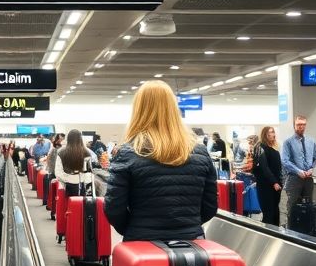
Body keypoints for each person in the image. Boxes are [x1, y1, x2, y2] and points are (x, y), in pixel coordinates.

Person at [103, 80, 217, 241]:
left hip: (142, 243)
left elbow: (113, 208)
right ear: (173, 109)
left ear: (138, 110)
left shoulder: (128, 153)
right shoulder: (200, 152)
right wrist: (187, 225)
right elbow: (210, 206)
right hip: (191, 242)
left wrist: (134, 228)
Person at [280, 115, 316, 222]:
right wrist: (298, 171)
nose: (301, 127)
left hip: (308, 179)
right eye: (298, 125)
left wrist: (311, 169)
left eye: (303, 124)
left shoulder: (311, 141)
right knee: (290, 206)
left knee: (308, 206)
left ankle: (306, 231)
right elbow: (285, 161)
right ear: (294, 126)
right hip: (294, 179)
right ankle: (290, 232)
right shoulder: (288, 142)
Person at [253, 125, 283, 227]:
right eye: (270, 132)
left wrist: (278, 182)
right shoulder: (260, 147)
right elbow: (264, 168)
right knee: (268, 213)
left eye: (273, 132)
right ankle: (267, 237)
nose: (272, 134)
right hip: (266, 186)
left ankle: (276, 237)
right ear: (265, 134)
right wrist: (274, 182)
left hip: (276, 185)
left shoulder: (274, 148)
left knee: (275, 212)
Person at [55, 129, 97, 195]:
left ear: (68, 138)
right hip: (82, 185)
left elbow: (58, 172)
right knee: (81, 204)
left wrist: (67, 179)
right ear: (80, 138)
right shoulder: (87, 152)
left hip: (66, 186)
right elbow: (89, 171)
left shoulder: (61, 152)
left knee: (67, 204)